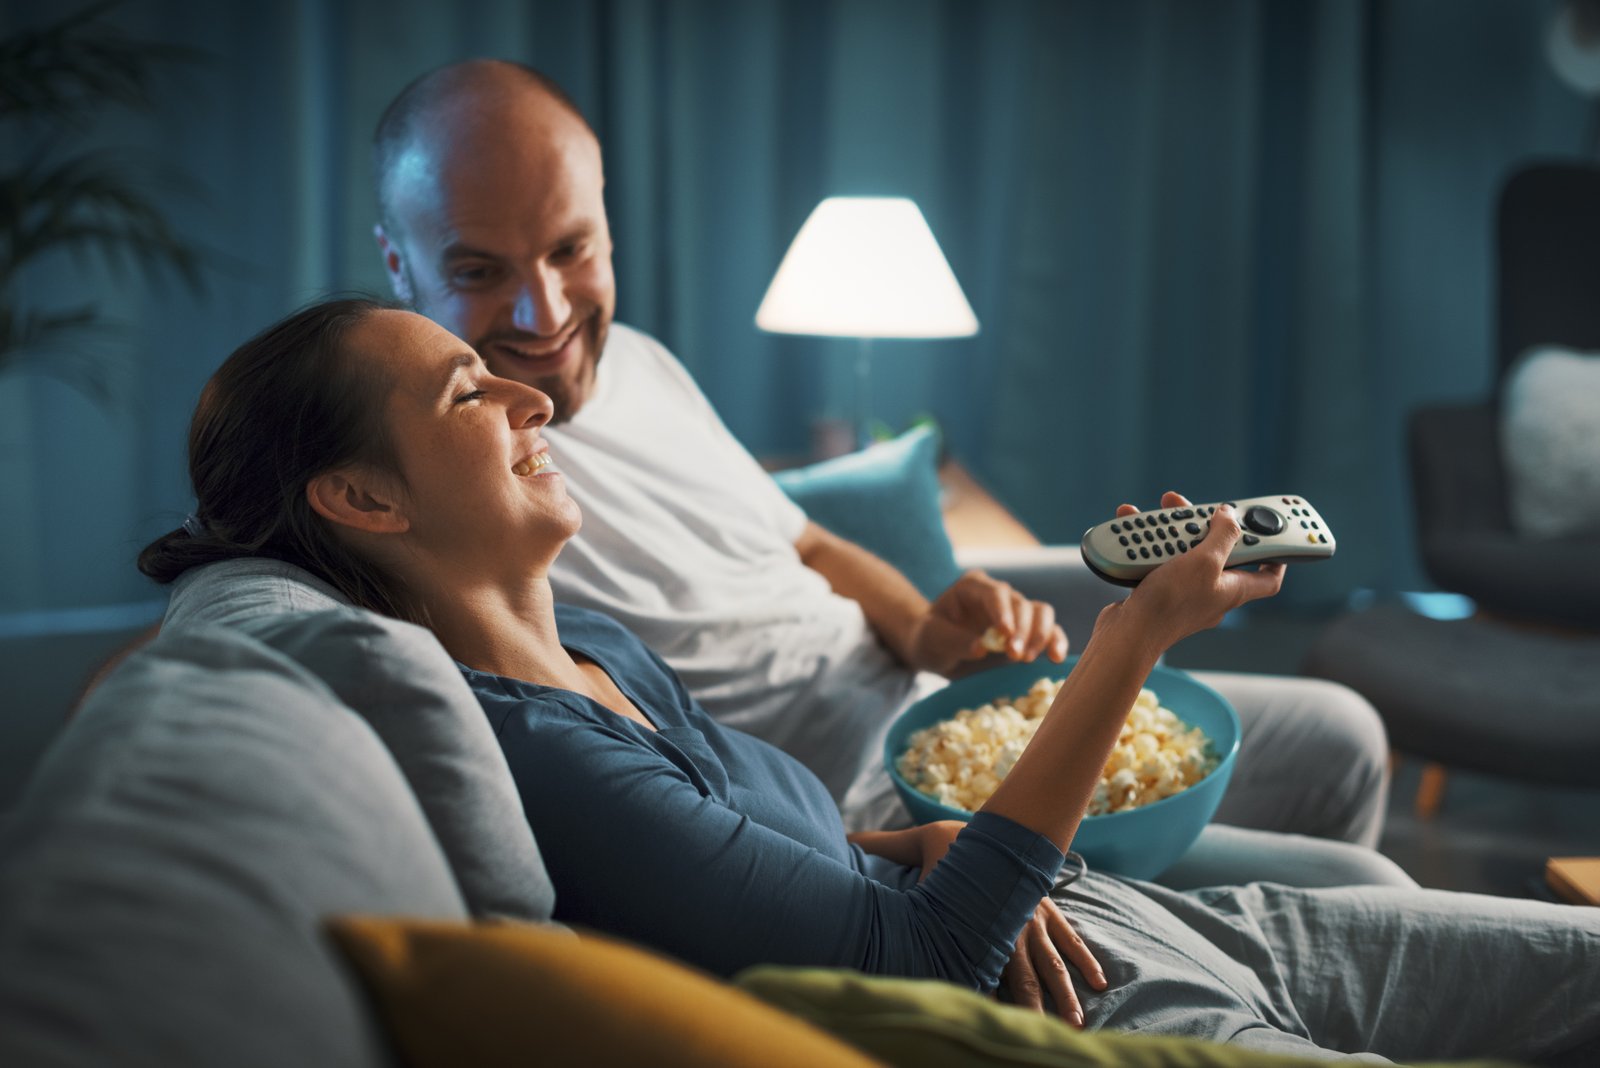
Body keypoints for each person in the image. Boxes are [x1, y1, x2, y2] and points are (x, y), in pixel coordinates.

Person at [137, 299, 1599, 1062]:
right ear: (365, 503)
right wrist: (1131, 640)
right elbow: (916, 970)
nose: (528, 390)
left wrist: (897, 837)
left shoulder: (600, 652)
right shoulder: (543, 762)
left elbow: (782, 848)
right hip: (1075, 1003)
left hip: (1105, 919)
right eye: (467, 390)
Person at [365, 59, 1395, 881]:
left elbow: (803, 541)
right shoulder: (449, 488)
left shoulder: (639, 362)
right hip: (878, 809)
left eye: (570, 250)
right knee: (1357, 885)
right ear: (397, 264)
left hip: (945, 708)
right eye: (476, 271)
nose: (544, 316)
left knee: (1343, 734)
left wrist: (924, 628)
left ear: (607, 228)